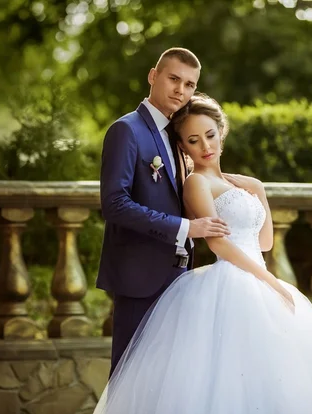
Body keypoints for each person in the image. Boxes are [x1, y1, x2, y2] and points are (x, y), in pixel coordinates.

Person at [91, 94, 312, 414]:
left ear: (221, 131)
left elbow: (265, 241)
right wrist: (271, 282)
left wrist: (259, 190)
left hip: (255, 277)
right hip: (232, 281)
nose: (205, 146)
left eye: (210, 135)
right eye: (193, 140)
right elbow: (219, 245)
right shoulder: (197, 183)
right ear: (183, 146)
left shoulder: (240, 183)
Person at [97, 48, 230, 375]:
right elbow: (114, 203)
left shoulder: (177, 135)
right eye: (173, 79)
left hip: (179, 278)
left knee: (169, 381)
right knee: (131, 380)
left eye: (189, 84)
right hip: (138, 277)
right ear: (153, 76)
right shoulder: (127, 130)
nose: (180, 91)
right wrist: (186, 228)